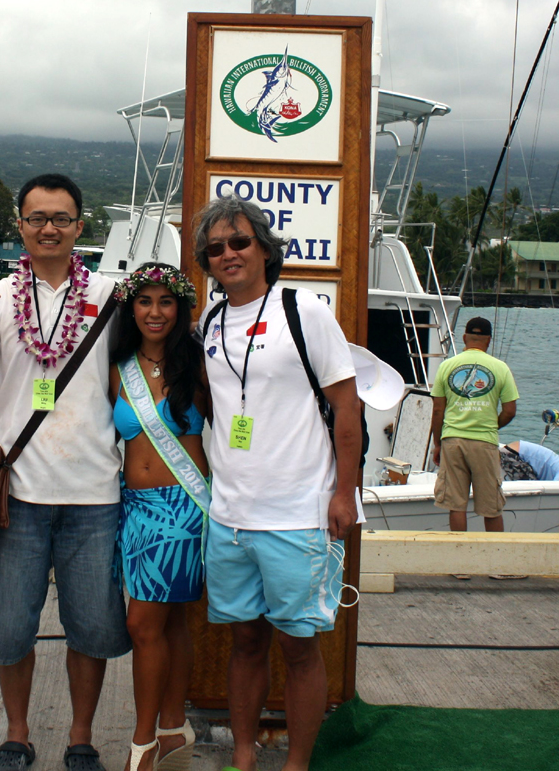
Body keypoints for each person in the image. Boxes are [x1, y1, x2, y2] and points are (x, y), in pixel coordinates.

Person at [0, 174, 129, 771]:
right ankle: (17, 735)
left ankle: (80, 737)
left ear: (80, 226)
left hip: (94, 489)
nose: (49, 228)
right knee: (11, 627)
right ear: (20, 224)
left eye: (61, 218)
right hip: (15, 493)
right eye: (37, 217)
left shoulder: (113, 295)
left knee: (93, 626)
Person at [193, 195, 362, 771]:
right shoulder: (210, 322)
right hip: (229, 517)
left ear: (265, 248)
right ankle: (242, 756)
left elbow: (347, 408)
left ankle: (297, 763)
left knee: (299, 648)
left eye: (239, 242)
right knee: (242, 644)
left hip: (296, 515)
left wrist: (345, 493)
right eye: (215, 248)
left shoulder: (304, 309)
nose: (228, 254)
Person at [110, 264, 209, 771]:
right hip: (135, 509)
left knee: (142, 625)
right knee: (168, 625)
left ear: (181, 308)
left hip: (183, 510)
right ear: (131, 308)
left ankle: (142, 743)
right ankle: (174, 728)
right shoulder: (116, 366)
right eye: (144, 301)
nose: (154, 311)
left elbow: (245, 416)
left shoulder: (199, 362)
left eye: (165, 302)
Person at [430, 317, 518, 534]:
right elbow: (509, 411)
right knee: (491, 507)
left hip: (452, 441)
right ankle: (495, 562)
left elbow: (437, 410)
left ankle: (459, 559)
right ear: (489, 340)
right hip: (484, 442)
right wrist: (491, 426)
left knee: (456, 505)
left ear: (464, 338)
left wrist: (438, 444)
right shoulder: (501, 368)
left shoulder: (446, 366)